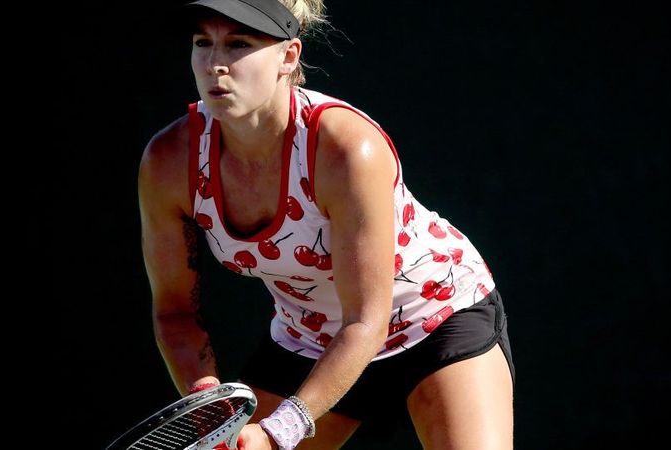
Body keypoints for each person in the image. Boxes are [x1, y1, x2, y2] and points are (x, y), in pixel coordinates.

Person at [137, 1, 515, 448]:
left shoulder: (346, 149)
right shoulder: (169, 162)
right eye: (204, 43)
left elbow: (365, 322)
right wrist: (211, 412)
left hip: (434, 320)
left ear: (288, 57)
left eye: (238, 44)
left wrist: (278, 433)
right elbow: (175, 312)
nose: (216, 64)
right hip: (308, 337)